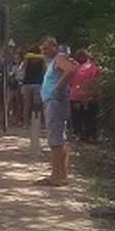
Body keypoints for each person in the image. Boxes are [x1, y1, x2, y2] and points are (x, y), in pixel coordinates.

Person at [36, 36, 75, 186]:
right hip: (53, 102)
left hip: (55, 103)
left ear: (54, 47)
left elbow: (71, 70)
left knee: (55, 140)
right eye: (42, 49)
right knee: (59, 138)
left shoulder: (59, 58)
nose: (44, 51)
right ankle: (61, 175)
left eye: (47, 48)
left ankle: (56, 176)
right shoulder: (52, 61)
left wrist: (58, 88)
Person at [68, 48, 101, 142]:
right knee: (91, 117)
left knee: (77, 116)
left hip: (75, 96)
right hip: (90, 97)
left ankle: (79, 134)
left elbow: (70, 81)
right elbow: (97, 82)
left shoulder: (73, 68)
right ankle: (92, 135)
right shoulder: (93, 68)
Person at [20, 45, 46, 126]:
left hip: (26, 83)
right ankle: (37, 121)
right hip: (38, 83)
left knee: (26, 104)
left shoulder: (27, 59)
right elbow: (45, 70)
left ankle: (26, 123)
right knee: (37, 104)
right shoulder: (42, 59)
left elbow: (23, 69)